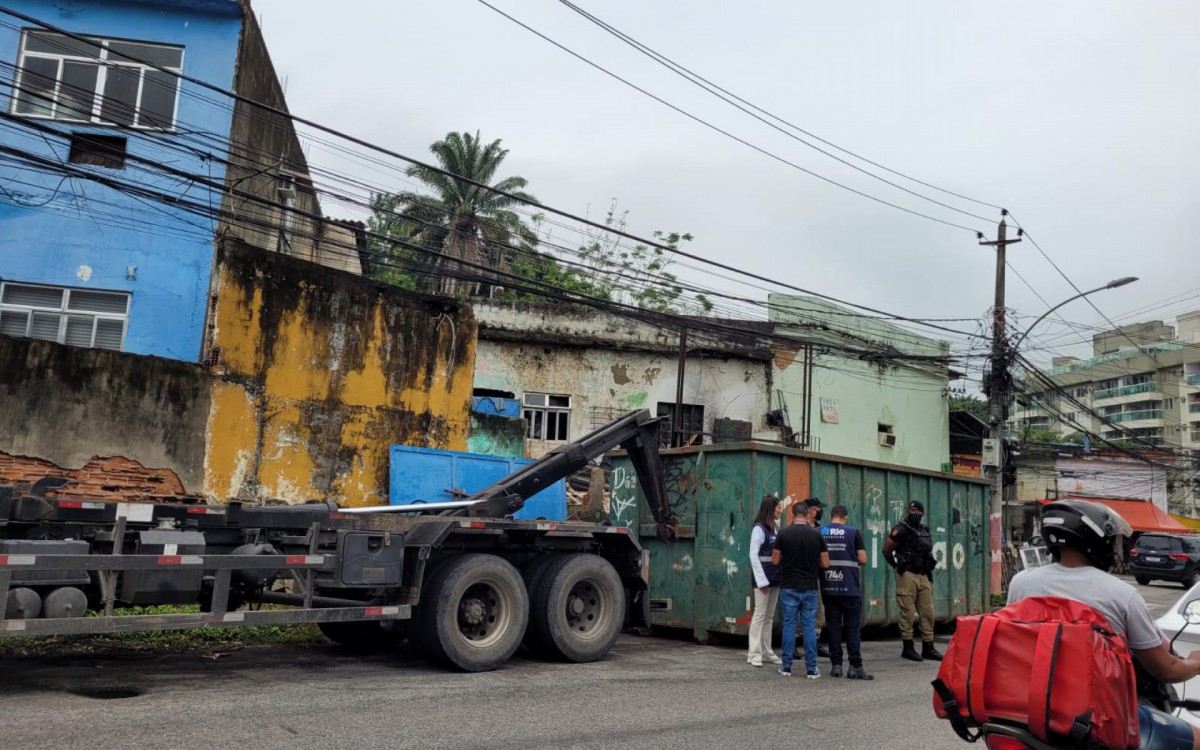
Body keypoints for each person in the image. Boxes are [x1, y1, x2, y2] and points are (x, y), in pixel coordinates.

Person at [1008, 499, 1200, 749]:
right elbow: (1167, 670)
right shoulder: (1120, 593)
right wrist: (1195, 662)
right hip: (1098, 715)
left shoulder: (1021, 582)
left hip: (1031, 706)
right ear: (1099, 542)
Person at [772, 497, 829, 678]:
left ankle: (786, 666)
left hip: (789, 585)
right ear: (807, 514)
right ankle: (811, 668)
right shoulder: (817, 534)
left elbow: (774, 560)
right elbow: (825, 563)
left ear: (793, 513)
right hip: (810, 586)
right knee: (809, 627)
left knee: (789, 625)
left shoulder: (783, 533)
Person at [882, 500, 942, 662]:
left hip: (923, 575)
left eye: (917, 510)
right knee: (907, 612)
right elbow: (886, 550)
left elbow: (927, 552)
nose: (914, 512)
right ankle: (908, 647)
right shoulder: (900, 529)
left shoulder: (924, 530)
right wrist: (897, 566)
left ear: (923, 513)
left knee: (927, 613)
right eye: (912, 510)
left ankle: (928, 647)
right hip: (907, 574)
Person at [820, 505, 873, 680]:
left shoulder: (821, 531)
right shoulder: (853, 532)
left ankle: (836, 666)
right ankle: (855, 666)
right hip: (849, 587)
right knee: (852, 628)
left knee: (833, 627)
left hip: (828, 586)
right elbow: (863, 559)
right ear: (846, 517)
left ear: (831, 516)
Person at [747, 494, 785, 668]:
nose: (781, 511)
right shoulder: (759, 528)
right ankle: (754, 653)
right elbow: (753, 555)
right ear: (771, 509)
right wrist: (761, 580)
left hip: (775, 577)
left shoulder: (774, 527)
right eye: (778, 508)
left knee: (769, 616)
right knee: (759, 615)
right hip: (763, 579)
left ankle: (766, 651)